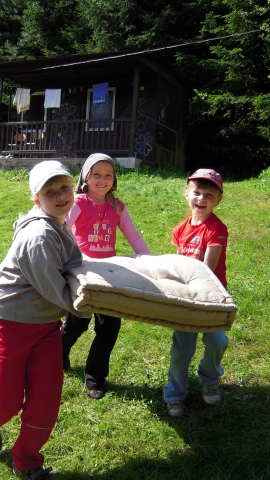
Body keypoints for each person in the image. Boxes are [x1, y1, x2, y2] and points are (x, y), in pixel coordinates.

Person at [0, 161, 89, 480]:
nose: (60, 195)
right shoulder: (38, 235)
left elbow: (72, 268)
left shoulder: (59, 223)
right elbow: (54, 288)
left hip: (47, 327)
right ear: (36, 199)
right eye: (49, 192)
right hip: (10, 324)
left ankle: (27, 461)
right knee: (5, 402)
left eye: (64, 187)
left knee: (45, 401)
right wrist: (91, 306)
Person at [61, 153, 150, 399]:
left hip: (109, 275)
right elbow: (64, 230)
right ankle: (59, 353)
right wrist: (73, 259)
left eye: (108, 175)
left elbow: (134, 236)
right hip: (82, 273)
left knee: (109, 328)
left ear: (114, 179)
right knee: (76, 325)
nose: (102, 180)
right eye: (97, 175)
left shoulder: (117, 206)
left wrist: (150, 262)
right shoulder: (79, 202)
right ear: (86, 177)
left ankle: (95, 378)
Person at [163, 168, 229, 418]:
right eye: (197, 193)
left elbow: (207, 270)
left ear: (218, 200)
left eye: (209, 195)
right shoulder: (180, 229)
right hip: (187, 296)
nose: (201, 199)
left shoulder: (216, 228)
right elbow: (178, 264)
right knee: (182, 347)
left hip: (212, 293)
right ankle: (175, 394)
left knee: (217, 340)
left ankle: (209, 378)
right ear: (187, 194)